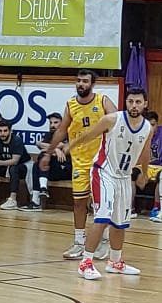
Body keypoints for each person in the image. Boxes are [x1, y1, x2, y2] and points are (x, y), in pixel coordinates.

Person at [69, 87, 153, 280]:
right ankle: (85, 262)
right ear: (126, 102)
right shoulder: (112, 119)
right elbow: (89, 134)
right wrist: (70, 145)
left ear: (145, 104)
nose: (134, 105)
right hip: (104, 172)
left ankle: (115, 262)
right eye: (130, 101)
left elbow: (145, 151)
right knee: (103, 217)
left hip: (124, 177)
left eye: (138, 102)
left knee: (120, 222)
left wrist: (145, 172)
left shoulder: (148, 127)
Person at [47, 69, 117, 260]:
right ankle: (79, 242)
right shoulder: (71, 105)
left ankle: (104, 241)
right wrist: (49, 152)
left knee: (99, 203)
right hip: (79, 161)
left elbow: (117, 121)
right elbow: (62, 130)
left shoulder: (102, 101)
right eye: (78, 80)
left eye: (85, 81)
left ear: (92, 84)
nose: (81, 84)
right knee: (78, 202)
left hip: (101, 161)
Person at [20, 112, 71, 211]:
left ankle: (42, 191)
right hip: (50, 171)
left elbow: (63, 146)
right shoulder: (49, 135)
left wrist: (51, 149)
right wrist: (55, 149)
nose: (52, 125)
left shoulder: (68, 134)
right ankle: (36, 200)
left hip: (65, 169)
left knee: (44, 155)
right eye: (51, 123)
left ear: (62, 123)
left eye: (55, 122)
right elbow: (38, 144)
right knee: (37, 165)